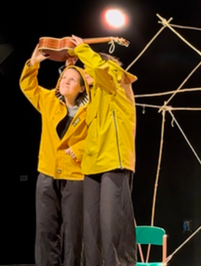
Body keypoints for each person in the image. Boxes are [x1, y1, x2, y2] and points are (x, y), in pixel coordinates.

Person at [19, 44, 90, 266]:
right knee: (45, 230)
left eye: (71, 79)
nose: (65, 81)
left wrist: (78, 151)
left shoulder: (92, 108)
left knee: (73, 233)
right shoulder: (50, 101)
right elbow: (28, 86)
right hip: (47, 174)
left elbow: (98, 137)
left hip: (75, 175)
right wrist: (34, 62)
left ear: (81, 88)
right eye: (63, 77)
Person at [69, 34, 138, 266]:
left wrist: (83, 50)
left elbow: (103, 71)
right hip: (92, 164)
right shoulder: (94, 95)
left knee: (112, 227)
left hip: (113, 161)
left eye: (87, 66)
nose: (84, 71)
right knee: (92, 230)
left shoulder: (115, 79)